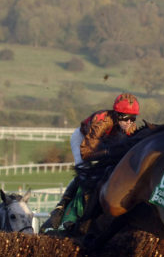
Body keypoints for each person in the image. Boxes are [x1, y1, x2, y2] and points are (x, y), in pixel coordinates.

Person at [45, 93, 141, 230]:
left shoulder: (131, 128)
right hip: (82, 140)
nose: (129, 122)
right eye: (125, 117)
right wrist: (110, 152)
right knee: (86, 175)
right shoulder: (101, 121)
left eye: (133, 118)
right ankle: (65, 213)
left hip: (103, 145)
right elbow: (86, 152)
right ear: (117, 114)